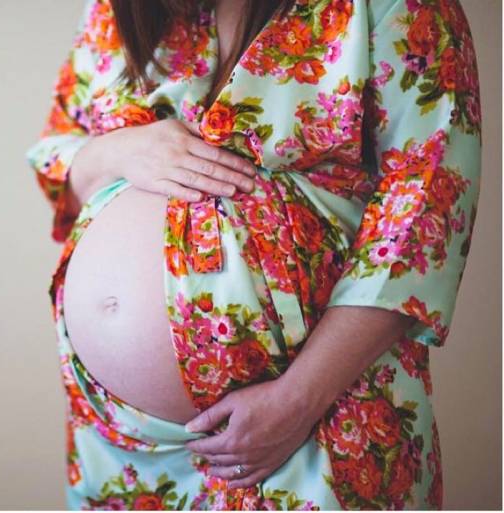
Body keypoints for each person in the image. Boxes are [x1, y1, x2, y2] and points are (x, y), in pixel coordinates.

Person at [25, 0, 482, 509]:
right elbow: (58, 157)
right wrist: (118, 151)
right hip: (121, 448)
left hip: (317, 421)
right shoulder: (119, 11)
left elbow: (425, 209)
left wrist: (298, 401)